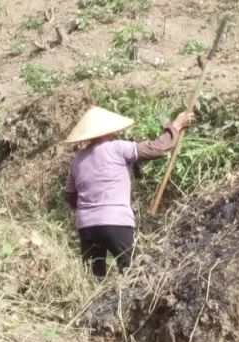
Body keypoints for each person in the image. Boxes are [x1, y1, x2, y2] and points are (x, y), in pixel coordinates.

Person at [63, 105, 195, 278]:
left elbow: (69, 196)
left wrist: (88, 210)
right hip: (115, 222)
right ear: (108, 129)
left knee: (93, 277)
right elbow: (157, 148)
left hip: (87, 227)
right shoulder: (118, 148)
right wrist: (176, 126)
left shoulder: (77, 161)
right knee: (133, 274)